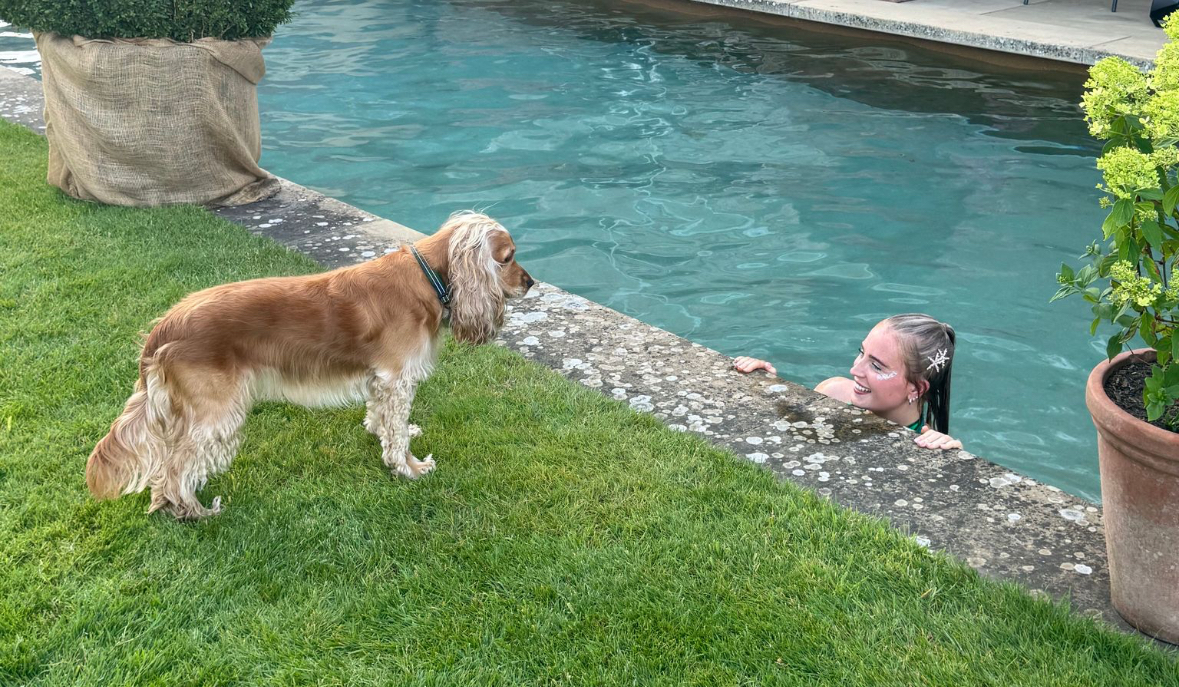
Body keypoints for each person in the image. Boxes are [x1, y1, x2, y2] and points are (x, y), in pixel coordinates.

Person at [733, 313, 962, 450]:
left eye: (876, 365)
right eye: (861, 352)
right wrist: (765, 383)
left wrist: (953, 454)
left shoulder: (926, 443)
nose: (855, 369)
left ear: (917, 388)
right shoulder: (833, 392)